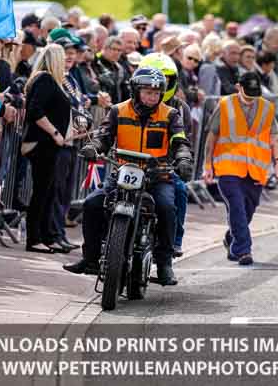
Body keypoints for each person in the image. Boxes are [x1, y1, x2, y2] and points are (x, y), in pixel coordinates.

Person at [64, 67, 194, 285]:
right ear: (136, 91)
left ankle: (164, 264)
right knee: (92, 204)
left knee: (166, 208)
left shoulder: (170, 115)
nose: (152, 97)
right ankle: (90, 258)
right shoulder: (118, 110)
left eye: (156, 93)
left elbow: (179, 141)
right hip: (123, 173)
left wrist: (183, 159)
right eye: (147, 92)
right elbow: (104, 136)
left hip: (156, 176)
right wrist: (93, 148)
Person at [201, 71, 278, 265]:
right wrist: (208, 166)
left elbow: (274, 138)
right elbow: (212, 136)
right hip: (228, 168)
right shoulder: (224, 105)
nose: (251, 100)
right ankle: (243, 250)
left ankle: (232, 237)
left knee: (247, 211)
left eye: (255, 96)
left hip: (256, 170)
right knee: (237, 206)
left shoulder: (266, 107)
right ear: (239, 87)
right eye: (247, 95)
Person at [138, 53, 193, 257]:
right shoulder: (124, 107)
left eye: (163, 79)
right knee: (96, 202)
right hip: (128, 167)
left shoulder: (178, 110)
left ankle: (170, 249)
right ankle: (94, 252)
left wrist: (184, 161)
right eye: (148, 84)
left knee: (177, 192)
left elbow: (183, 142)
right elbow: (107, 133)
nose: (155, 85)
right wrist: (97, 145)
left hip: (164, 168)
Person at [21, 44, 74, 253]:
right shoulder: (44, 79)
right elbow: (35, 109)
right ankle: (34, 239)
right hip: (42, 144)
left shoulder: (51, 80)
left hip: (51, 145)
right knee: (41, 193)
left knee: (49, 192)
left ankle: (45, 236)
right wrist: (54, 132)